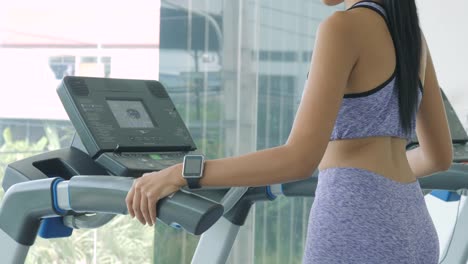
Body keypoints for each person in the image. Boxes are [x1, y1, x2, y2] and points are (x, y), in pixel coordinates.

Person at [126, 0, 453, 263]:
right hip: (413, 226)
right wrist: (374, 178)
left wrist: (181, 173)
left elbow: (298, 160)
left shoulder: (343, 28)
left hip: (356, 224)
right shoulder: (412, 38)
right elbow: (439, 156)